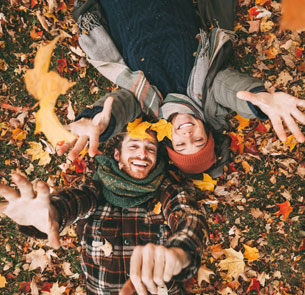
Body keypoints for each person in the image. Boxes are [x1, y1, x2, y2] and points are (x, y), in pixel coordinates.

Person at [58, 0, 305, 178]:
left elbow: (121, 105)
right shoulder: (208, 93)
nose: (187, 136)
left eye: (181, 145)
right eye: (199, 140)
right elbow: (232, 90)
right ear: (207, 129)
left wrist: (101, 122)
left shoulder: (146, 108)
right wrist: (261, 100)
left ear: (169, 140)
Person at [0, 127, 209, 295]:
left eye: (150, 149)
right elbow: (75, 201)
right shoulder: (96, 190)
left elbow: (189, 217)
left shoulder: (167, 191)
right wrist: (53, 212)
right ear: (117, 154)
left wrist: (180, 252)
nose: (142, 154)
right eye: (134, 146)